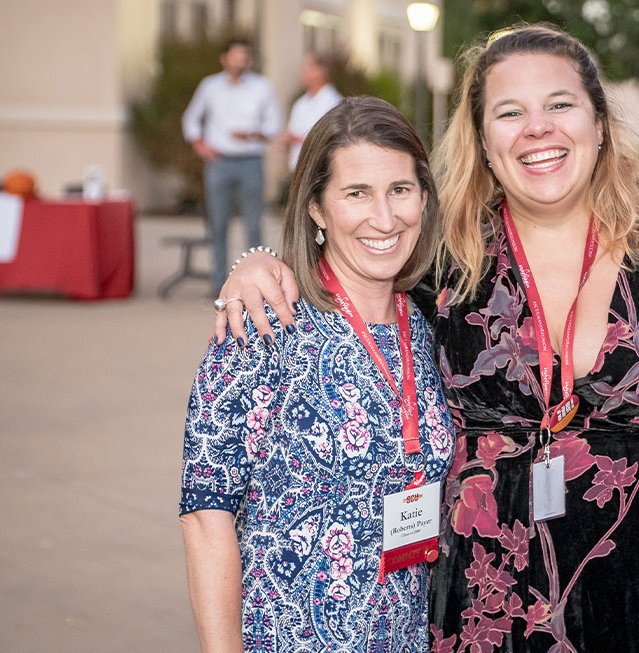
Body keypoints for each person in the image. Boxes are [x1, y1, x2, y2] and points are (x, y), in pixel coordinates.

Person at [214, 24, 639, 653]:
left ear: (600, 123)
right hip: (485, 602)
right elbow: (353, 254)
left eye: (560, 104)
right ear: (484, 143)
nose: (537, 128)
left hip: (637, 596)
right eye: (510, 113)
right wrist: (262, 263)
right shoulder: (445, 262)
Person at [179, 97, 455, 652]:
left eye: (399, 190)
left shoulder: (431, 326)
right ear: (317, 209)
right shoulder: (263, 324)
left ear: (424, 197)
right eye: (356, 193)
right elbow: (207, 518)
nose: (384, 217)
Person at [182, 38, 282, 294]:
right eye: (236, 55)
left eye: (245, 55)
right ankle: (219, 286)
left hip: (250, 161)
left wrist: (252, 134)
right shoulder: (210, 86)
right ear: (224, 58)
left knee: (252, 225)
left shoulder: (262, 87)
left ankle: (257, 285)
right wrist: (201, 146)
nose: (241, 60)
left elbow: (274, 125)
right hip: (220, 163)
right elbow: (191, 119)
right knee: (218, 225)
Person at [281, 52, 343, 171]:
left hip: (320, 171)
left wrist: (296, 138)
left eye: (307, 68)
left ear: (320, 71)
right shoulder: (301, 103)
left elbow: (331, 140)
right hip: (299, 169)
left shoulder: (332, 102)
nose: (302, 73)